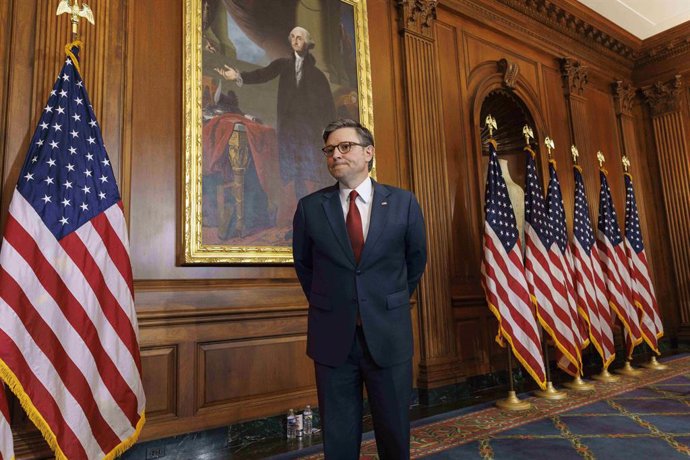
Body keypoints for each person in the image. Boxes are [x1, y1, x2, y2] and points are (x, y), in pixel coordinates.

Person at [292, 119, 427, 459]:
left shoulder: (403, 203)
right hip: (332, 336)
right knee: (338, 436)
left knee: (395, 431)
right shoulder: (310, 208)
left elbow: (415, 261)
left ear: (369, 152)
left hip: (388, 333)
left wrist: (384, 301)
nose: (335, 154)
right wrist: (339, 303)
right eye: (329, 150)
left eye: (344, 146)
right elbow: (305, 267)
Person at [216, 26, 336, 201]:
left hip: (309, 131)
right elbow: (262, 74)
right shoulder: (282, 65)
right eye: (293, 37)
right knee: (293, 173)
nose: (295, 41)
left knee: (311, 173)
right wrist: (237, 76)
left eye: (300, 38)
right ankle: (297, 215)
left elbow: (328, 106)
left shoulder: (318, 76)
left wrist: (329, 133)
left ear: (308, 44)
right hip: (289, 129)